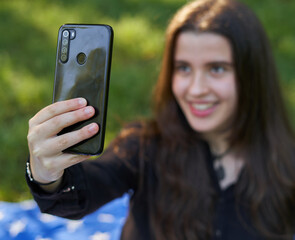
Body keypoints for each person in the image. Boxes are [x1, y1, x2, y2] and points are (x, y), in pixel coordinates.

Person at [26, 0, 295, 239]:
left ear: (252, 75)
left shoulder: (286, 162)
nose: (196, 88)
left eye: (217, 68)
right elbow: (81, 194)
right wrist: (48, 176)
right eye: (183, 68)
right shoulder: (144, 147)